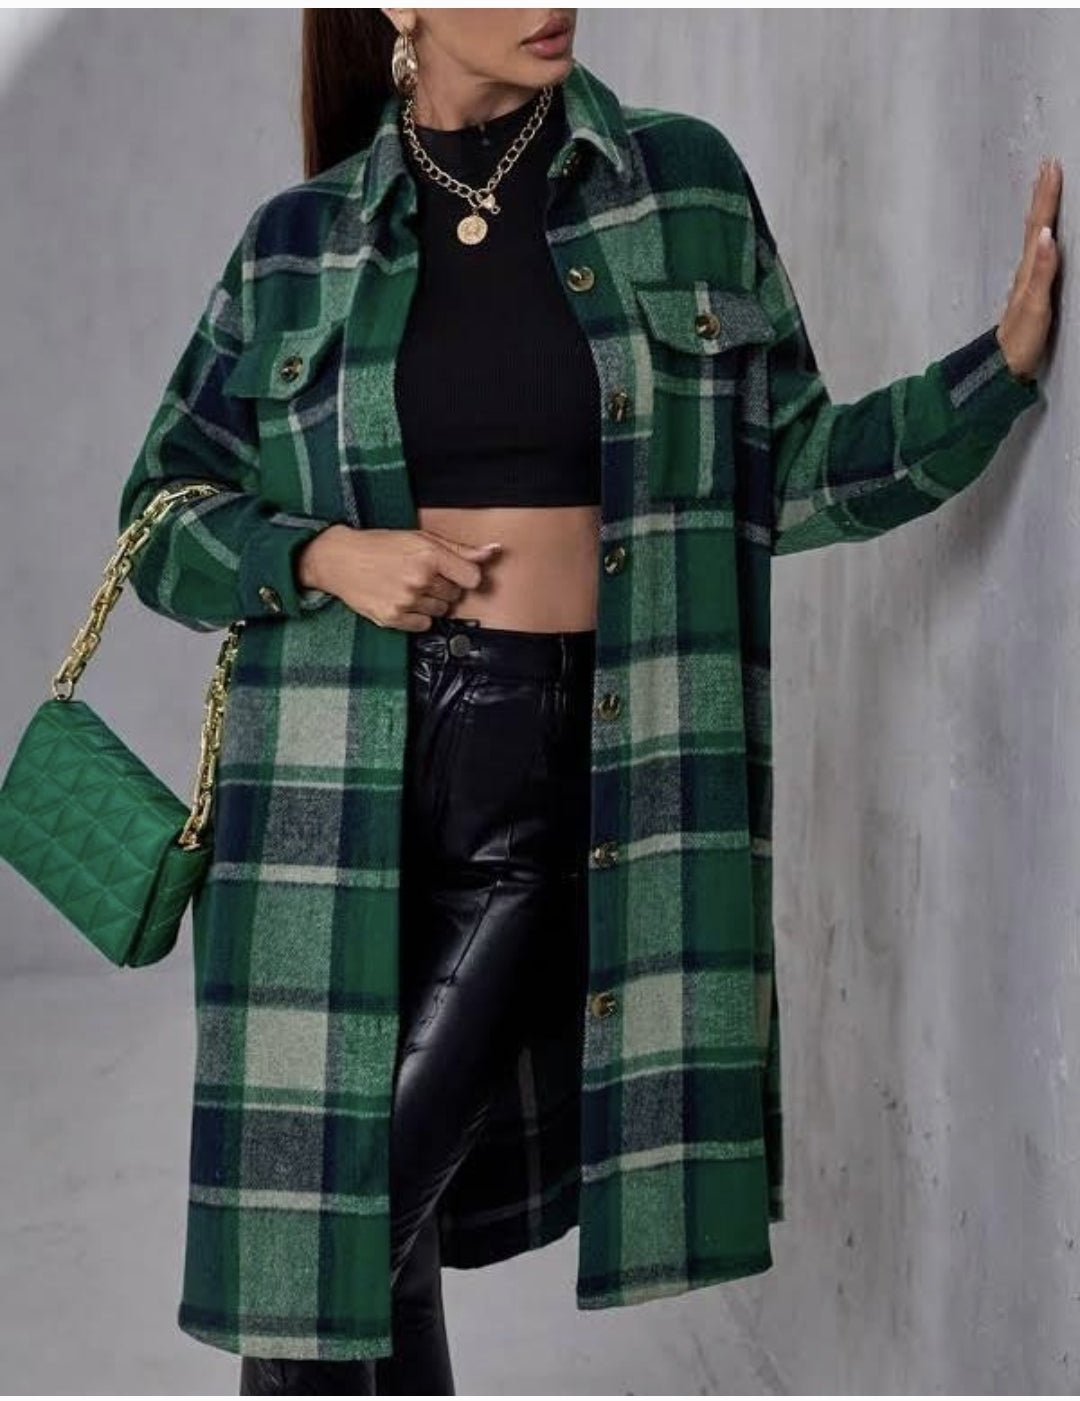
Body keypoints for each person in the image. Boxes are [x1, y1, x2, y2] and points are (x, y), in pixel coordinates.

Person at [113, 8, 1060, 1395]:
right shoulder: (294, 246)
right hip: (329, 788)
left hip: (564, 761)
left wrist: (996, 374)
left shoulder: (680, 185)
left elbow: (793, 472)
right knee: (373, 1248)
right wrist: (320, 553)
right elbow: (159, 516)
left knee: (336, 1233)